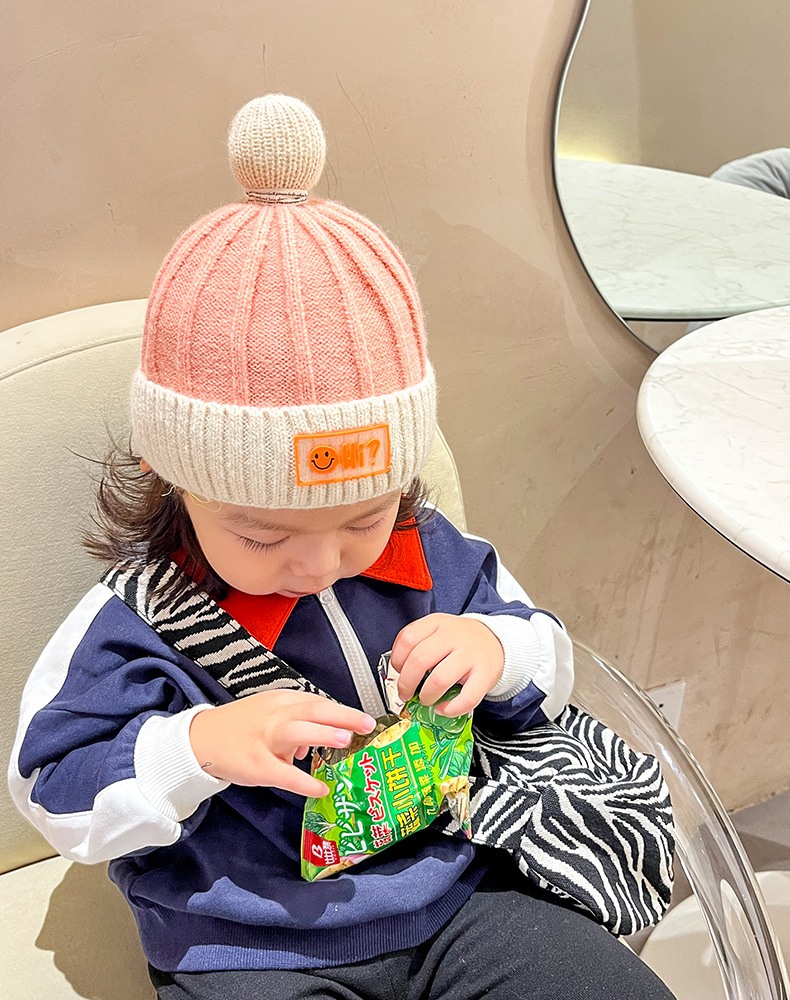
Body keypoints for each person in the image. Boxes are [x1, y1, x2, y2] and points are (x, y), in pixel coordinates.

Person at [8, 95, 675, 999]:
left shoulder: (433, 552)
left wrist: (496, 651)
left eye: (363, 520)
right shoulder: (137, 620)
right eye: (262, 534)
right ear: (172, 479)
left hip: (459, 890)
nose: (320, 563)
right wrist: (195, 747)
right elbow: (51, 786)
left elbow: (548, 656)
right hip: (243, 939)